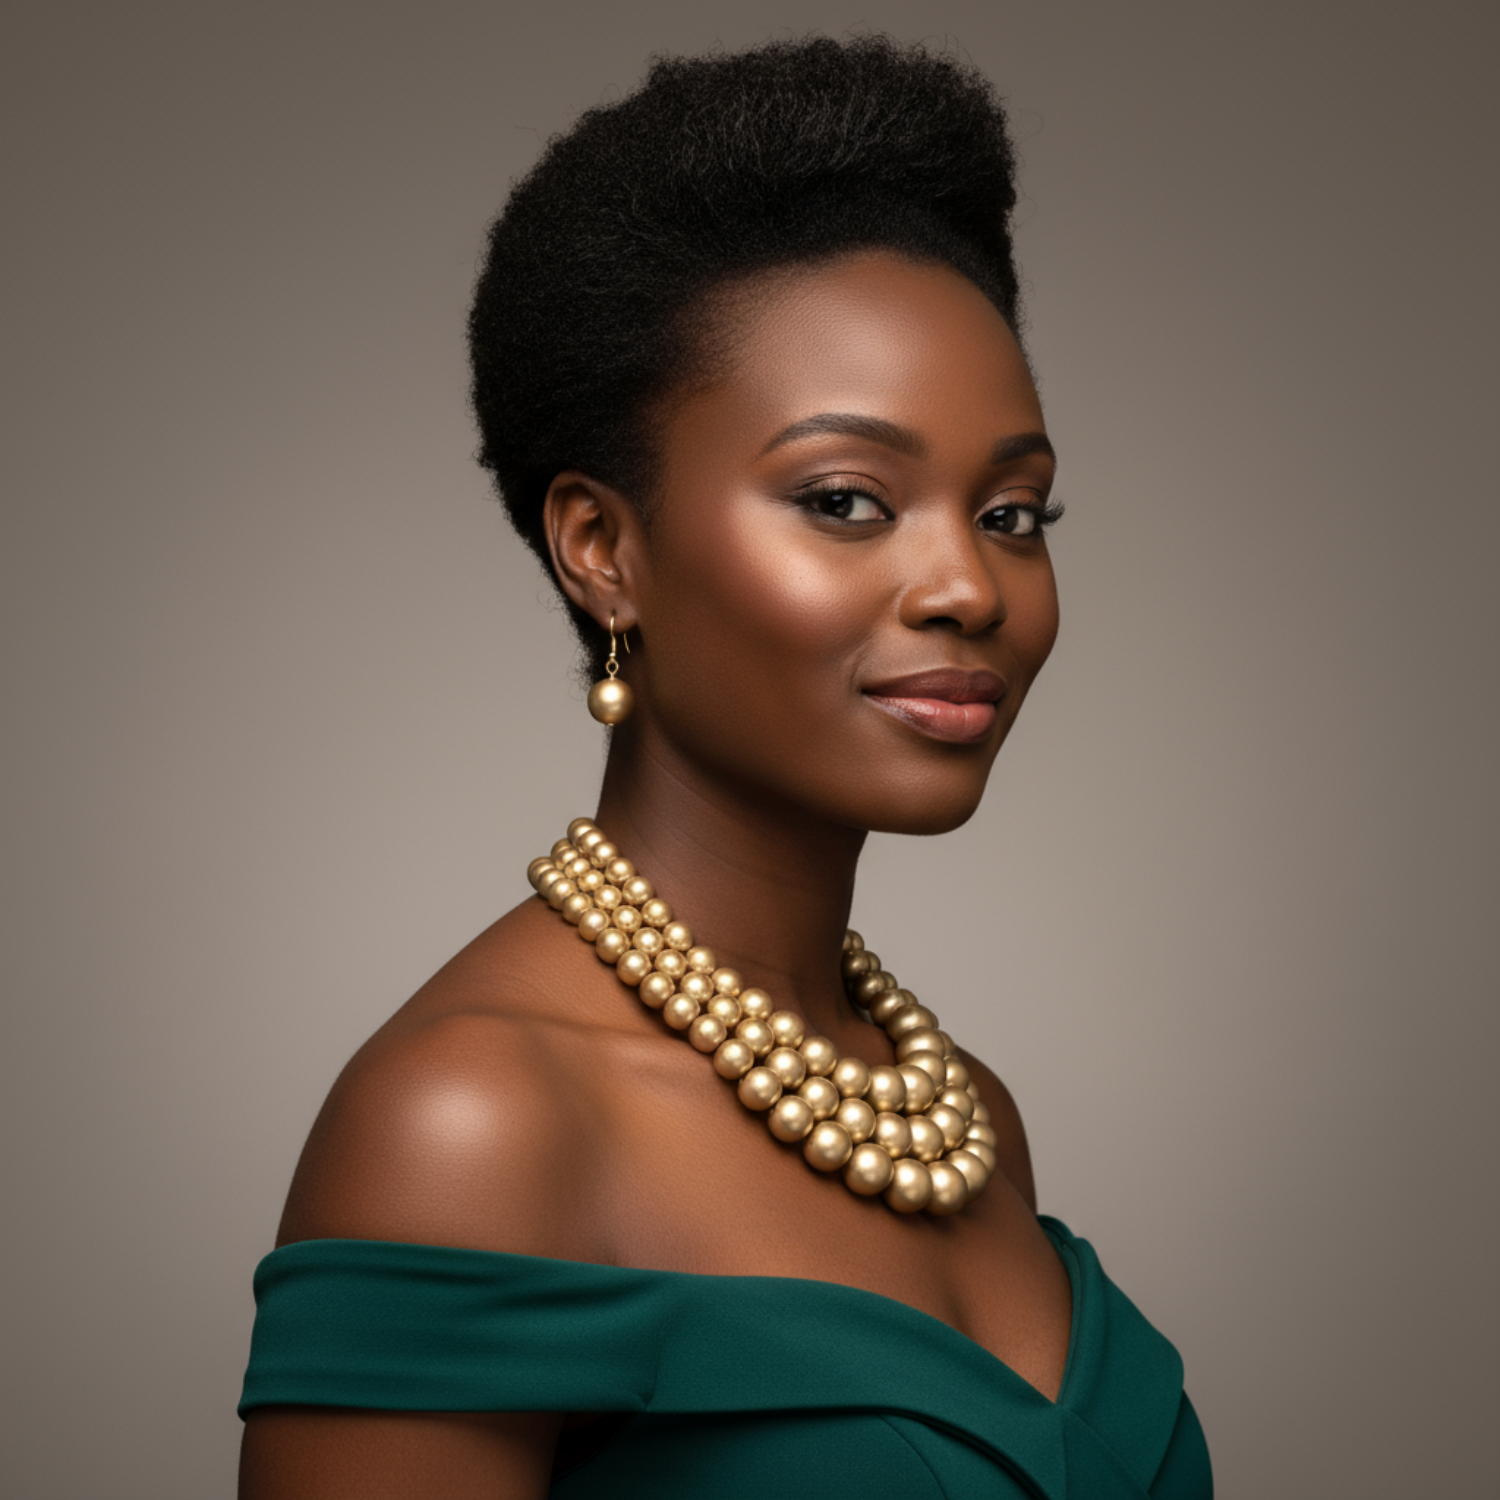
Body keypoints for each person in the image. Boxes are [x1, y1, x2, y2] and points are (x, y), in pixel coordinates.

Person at [238, 35, 1213, 1498]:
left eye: (1014, 513)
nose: (969, 586)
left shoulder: (965, 1127)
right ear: (603, 549)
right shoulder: (476, 1125)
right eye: (845, 500)